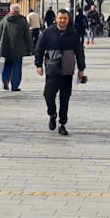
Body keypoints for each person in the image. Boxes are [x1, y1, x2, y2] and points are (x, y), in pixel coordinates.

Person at [34, 8, 86, 136]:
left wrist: (81, 69)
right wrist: (38, 64)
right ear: (56, 19)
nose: (62, 20)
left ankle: (62, 123)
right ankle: (52, 113)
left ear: (68, 20)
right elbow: (39, 49)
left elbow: (79, 52)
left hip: (67, 71)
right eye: (60, 18)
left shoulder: (73, 34)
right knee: (48, 94)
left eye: (65, 18)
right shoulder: (48, 33)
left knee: (65, 98)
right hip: (52, 69)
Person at [0, 3, 33, 91]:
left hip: (6, 48)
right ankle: (15, 86)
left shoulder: (4, 20)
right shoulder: (22, 21)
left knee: (7, 65)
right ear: (18, 11)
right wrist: (30, 48)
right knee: (17, 67)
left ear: (10, 10)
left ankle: (5, 81)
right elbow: (27, 36)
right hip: (19, 49)